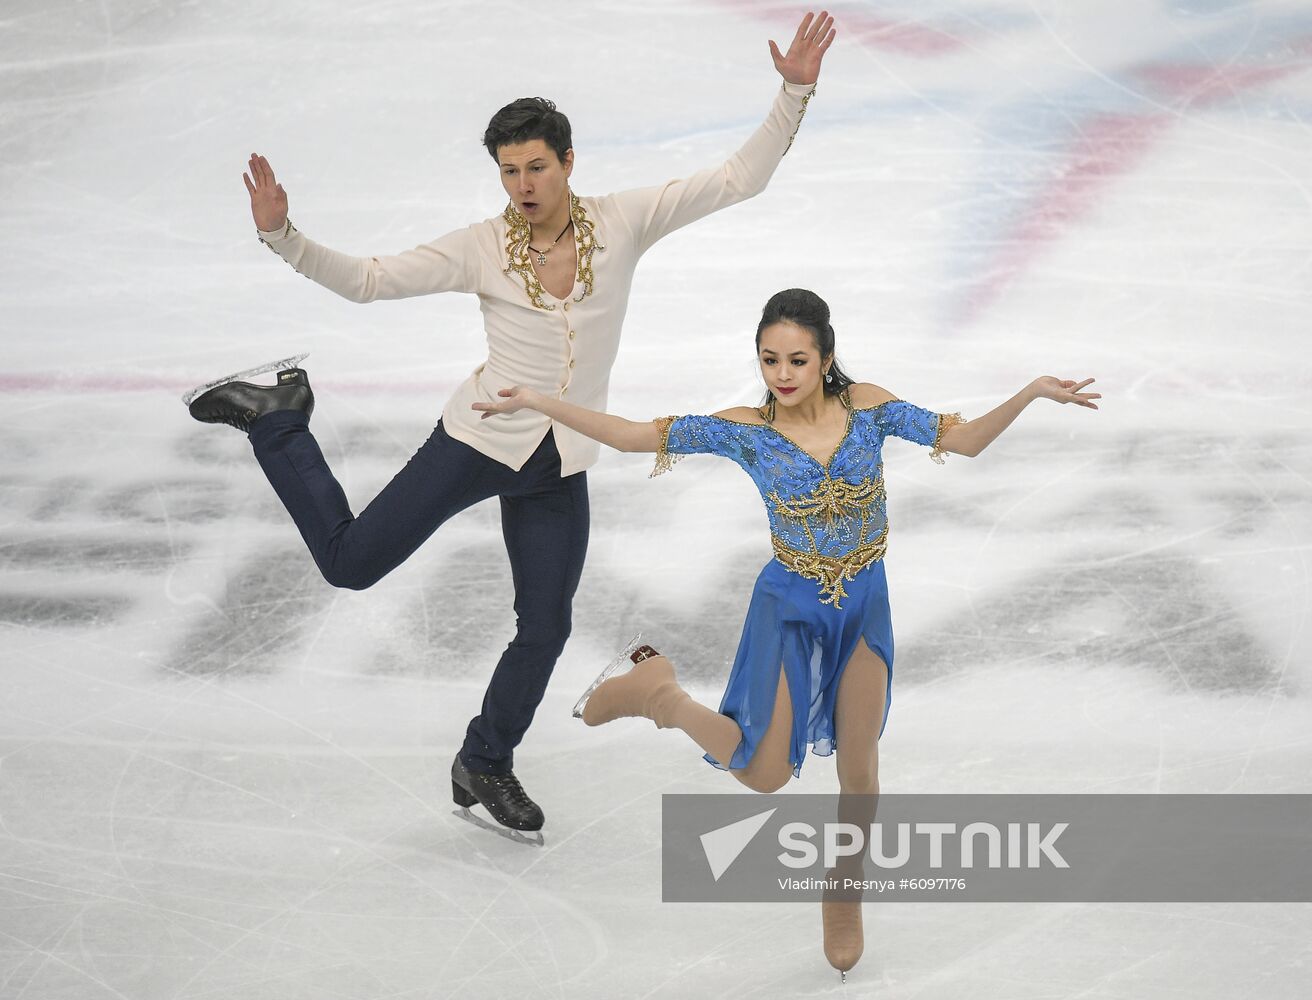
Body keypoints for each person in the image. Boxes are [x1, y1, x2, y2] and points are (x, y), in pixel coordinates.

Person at [184, 14, 838, 840]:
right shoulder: (484, 246)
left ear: (568, 162)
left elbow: (739, 178)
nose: (522, 185)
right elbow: (372, 281)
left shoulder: (625, 220)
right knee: (351, 565)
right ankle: (278, 423)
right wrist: (283, 236)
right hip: (476, 444)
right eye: (507, 171)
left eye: (535, 167)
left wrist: (795, 89)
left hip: (557, 462)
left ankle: (485, 759)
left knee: (548, 623)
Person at [473, 287, 1100, 974]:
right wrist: (537, 400)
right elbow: (631, 436)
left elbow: (966, 440)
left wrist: (1032, 393)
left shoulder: (869, 407)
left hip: (865, 603)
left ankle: (842, 892)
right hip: (790, 606)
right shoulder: (747, 430)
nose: (783, 373)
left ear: (827, 356)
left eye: (797, 359)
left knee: (862, 774)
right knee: (767, 771)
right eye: (770, 359)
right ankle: (659, 693)